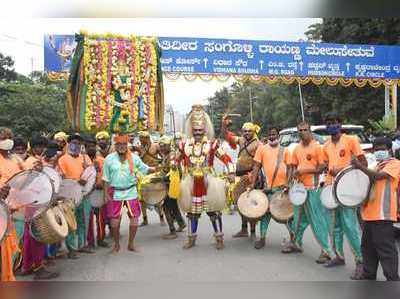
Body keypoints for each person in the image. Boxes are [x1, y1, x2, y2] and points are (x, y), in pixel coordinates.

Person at [177, 105, 235, 250]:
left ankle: (219, 238)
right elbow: (176, 159)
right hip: (190, 182)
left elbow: (227, 158)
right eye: (195, 130)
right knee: (192, 213)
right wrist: (172, 163)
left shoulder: (212, 144)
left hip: (209, 181)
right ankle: (191, 239)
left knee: (214, 211)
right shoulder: (184, 145)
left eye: (200, 130)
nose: (197, 133)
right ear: (191, 130)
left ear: (204, 130)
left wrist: (232, 172)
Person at [321, 112, 367, 279]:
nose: (331, 125)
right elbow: (326, 166)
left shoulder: (351, 140)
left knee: (350, 227)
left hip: (348, 191)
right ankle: (339, 256)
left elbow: (363, 163)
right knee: (334, 227)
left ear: (340, 124)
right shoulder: (325, 146)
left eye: (334, 122)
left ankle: (361, 262)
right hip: (331, 189)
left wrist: (341, 170)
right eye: (328, 122)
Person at [351, 136, 400, 281]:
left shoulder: (395, 164)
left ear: (390, 150)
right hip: (369, 215)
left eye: (382, 149)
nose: (379, 151)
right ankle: (369, 275)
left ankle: (392, 279)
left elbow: (379, 177)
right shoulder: (376, 165)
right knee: (368, 249)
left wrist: (360, 166)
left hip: (383, 215)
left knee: (385, 250)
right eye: (377, 149)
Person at [286, 121, 335, 264]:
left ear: (310, 131)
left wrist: (305, 171)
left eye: (305, 129)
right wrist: (290, 182)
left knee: (317, 221)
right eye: (300, 130)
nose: (302, 132)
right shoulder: (297, 149)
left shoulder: (317, 147)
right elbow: (293, 166)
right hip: (299, 190)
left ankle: (326, 251)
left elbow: (321, 168)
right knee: (298, 219)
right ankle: (297, 243)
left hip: (313, 189)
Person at [103, 134, 157, 253]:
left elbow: (145, 168)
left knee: (134, 219)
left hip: (131, 191)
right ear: (115, 146)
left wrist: (158, 168)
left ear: (127, 145)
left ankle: (131, 244)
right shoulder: (109, 159)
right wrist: (106, 194)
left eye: (124, 144)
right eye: (119, 144)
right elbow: (105, 179)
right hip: (115, 192)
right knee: (114, 221)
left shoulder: (134, 157)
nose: (121, 147)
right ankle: (116, 245)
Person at [19, 136, 59, 280]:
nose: (41, 149)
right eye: (38, 146)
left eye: (42, 146)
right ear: (32, 147)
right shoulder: (32, 162)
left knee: (29, 237)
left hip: (31, 203)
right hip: (35, 203)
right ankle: (39, 268)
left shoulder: (35, 160)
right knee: (38, 236)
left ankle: (27, 266)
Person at [248, 126, 292, 250]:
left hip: (282, 189)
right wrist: (252, 183)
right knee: (265, 215)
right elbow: (256, 167)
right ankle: (262, 238)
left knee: (285, 216)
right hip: (268, 188)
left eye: (274, 134)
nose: (272, 137)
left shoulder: (285, 150)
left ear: (278, 136)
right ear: (268, 136)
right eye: (270, 135)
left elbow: (290, 168)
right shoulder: (261, 149)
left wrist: (288, 183)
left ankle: (294, 239)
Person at [221, 117, 261, 239]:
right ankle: (244, 229)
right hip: (239, 175)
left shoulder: (258, 144)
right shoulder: (242, 140)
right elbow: (227, 136)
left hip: (251, 176)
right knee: (240, 203)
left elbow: (258, 164)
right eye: (245, 131)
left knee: (251, 205)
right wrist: (224, 125)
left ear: (253, 131)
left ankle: (253, 232)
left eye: (249, 131)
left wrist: (252, 179)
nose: (247, 133)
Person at [58, 133, 93, 258]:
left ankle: (82, 245)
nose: (76, 145)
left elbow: (91, 174)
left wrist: (87, 174)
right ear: (69, 144)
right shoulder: (62, 159)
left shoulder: (85, 157)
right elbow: (62, 179)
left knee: (83, 221)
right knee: (71, 223)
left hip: (84, 194)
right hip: (70, 195)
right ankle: (71, 248)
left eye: (79, 143)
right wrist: (76, 182)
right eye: (73, 142)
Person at [0, 128, 24, 281]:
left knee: (14, 248)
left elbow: (26, 178)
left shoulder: (16, 159)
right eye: (3, 138)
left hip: (17, 210)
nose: (7, 140)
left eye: (9, 137)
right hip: (1, 212)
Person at [134, 131, 165, 226]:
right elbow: (137, 160)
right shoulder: (139, 148)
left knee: (157, 196)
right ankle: (145, 219)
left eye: (143, 139)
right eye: (140, 139)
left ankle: (161, 218)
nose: (142, 141)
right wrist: (142, 152)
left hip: (154, 172)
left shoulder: (155, 146)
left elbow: (163, 156)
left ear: (147, 138)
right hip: (143, 174)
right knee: (142, 198)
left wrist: (162, 164)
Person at [158, 135, 186, 240]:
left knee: (166, 207)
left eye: (164, 146)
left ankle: (172, 231)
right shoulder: (167, 155)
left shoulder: (172, 156)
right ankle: (181, 223)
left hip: (172, 185)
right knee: (173, 206)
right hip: (171, 184)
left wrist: (160, 177)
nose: (162, 148)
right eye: (160, 146)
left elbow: (173, 171)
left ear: (169, 146)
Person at [85, 135, 109, 248]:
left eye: (93, 146)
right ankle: (89, 242)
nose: (91, 148)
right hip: (87, 194)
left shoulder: (102, 160)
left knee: (101, 219)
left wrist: (105, 192)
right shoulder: (82, 160)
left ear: (96, 147)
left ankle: (100, 239)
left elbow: (107, 177)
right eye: (88, 146)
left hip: (100, 193)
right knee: (88, 220)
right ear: (85, 148)